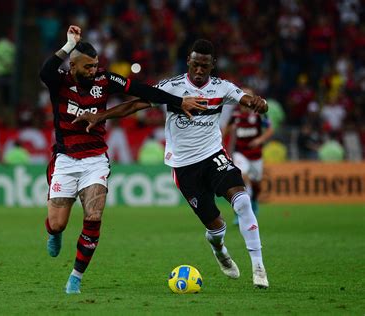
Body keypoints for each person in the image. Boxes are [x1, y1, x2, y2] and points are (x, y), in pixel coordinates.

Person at [74, 39, 270, 288]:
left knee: (242, 200)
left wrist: (259, 104)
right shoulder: (172, 87)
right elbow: (136, 104)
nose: (199, 71)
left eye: (205, 66)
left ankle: (258, 267)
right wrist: (101, 115)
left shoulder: (223, 88)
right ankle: (219, 248)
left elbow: (249, 100)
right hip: (185, 167)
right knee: (216, 227)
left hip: (214, 156)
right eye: (195, 65)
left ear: (213, 66)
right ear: (188, 62)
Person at [39, 25, 205, 294]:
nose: (94, 71)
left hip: (95, 160)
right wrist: (69, 44)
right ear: (73, 65)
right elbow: (45, 71)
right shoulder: (59, 81)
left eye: (96, 66)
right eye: (88, 67)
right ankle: (54, 233)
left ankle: (75, 278)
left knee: (93, 217)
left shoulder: (105, 80)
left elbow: (143, 91)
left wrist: (178, 101)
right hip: (66, 159)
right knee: (58, 223)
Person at [222, 87, 274, 223]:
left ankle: (254, 201)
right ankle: (241, 212)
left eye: (248, 95)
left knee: (256, 183)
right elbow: (225, 129)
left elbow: (269, 129)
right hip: (240, 153)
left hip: (256, 154)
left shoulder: (259, 113)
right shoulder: (235, 114)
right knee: (242, 177)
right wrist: (219, 143)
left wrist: (260, 140)